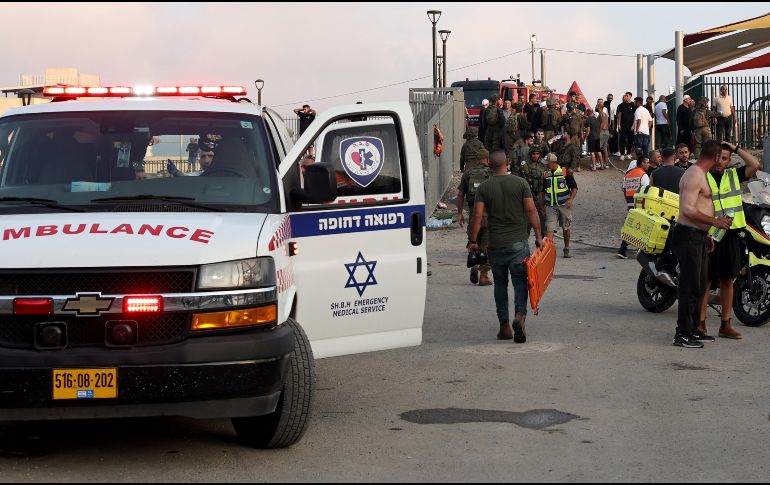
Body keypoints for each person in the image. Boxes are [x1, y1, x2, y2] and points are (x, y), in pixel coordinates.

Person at [467, 149, 543, 342]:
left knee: (500, 284)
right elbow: (531, 210)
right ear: (507, 162)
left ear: (489, 166)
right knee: (520, 282)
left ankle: (504, 326)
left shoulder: (484, 187)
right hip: (518, 244)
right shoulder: (520, 183)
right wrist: (538, 236)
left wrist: (473, 241)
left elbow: (477, 217)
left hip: (496, 245)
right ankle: (519, 315)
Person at [672, 140, 733, 348]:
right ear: (716, 157)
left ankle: (693, 329)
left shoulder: (699, 174)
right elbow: (687, 209)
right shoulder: (694, 175)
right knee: (688, 286)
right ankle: (682, 333)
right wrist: (715, 222)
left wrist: (707, 234)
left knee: (699, 285)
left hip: (698, 235)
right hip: (687, 235)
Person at [697, 141, 761, 340]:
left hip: (731, 233)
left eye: (725, 159)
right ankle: (700, 323)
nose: (720, 162)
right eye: (718, 157)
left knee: (727, 279)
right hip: (709, 233)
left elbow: (755, 165)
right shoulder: (702, 176)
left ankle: (726, 324)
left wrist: (735, 148)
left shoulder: (733, 175)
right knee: (706, 279)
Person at [457, 148, 493, 286]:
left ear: (477, 159)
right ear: (487, 159)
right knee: (487, 245)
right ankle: (484, 276)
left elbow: (460, 195)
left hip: (473, 215)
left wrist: (460, 213)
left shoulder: (468, 174)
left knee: (473, 241)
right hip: (488, 215)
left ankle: (473, 264)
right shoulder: (491, 174)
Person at [544, 153, 578, 258]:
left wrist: (571, 199)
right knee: (549, 229)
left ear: (553, 163)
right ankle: (548, 252)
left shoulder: (565, 172)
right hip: (551, 206)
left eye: (547, 163)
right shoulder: (546, 174)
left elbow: (574, 188)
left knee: (566, 228)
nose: (546, 165)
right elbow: (543, 190)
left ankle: (566, 248)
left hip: (564, 206)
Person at [617, 154, 650, 259]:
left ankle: (623, 250)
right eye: (647, 162)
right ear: (642, 163)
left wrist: (629, 201)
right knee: (643, 228)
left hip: (630, 203)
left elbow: (624, 189)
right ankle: (641, 251)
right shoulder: (643, 175)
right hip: (640, 205)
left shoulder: (628, 175)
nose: (648, 164)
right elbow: (647, 191)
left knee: (630, 227)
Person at [519, 144, 547, 235]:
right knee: (527, 216)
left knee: (542, 215)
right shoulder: (525, 165)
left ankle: (543, 237)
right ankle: (524, 237)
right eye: (533, 154)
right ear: (530, 154)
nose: (535, 155)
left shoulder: (543, 164)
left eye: (537, 153)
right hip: (528, 194)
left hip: (540, 193)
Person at [562, 102, 585, 171]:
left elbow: (563, 126)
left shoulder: (566, 116)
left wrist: (563, 134)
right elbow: (581, 127)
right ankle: (577, 166)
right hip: (575, 136)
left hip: (570, 136)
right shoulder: (578, 115)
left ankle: (573, 166)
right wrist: (582, 136)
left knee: (569, 150)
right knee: (576, 150)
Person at [616, 92, 636, 160]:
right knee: (622, 140)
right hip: (622, 126)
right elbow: (619, 115)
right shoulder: (621, 105)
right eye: (625, 96)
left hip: (630, 126)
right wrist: (619, 124)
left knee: (630, 140)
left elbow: (634, 116)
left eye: (627, 96)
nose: (625, 97)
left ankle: (628, 153)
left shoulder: (633, 104)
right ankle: (622, 154)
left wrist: (633, 125)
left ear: (630, 97)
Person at [586, 106, 603, 171]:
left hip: (592, 137)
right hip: (597, 137)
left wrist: (585, 137)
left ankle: (594, 167)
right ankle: (602, 166)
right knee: (599, 151)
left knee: (592, 152)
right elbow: (600, 127)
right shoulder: (596, 119)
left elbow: (588, 129)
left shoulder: (588, 119)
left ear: (588, 112)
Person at [597, 98, 611, 169]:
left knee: (598, 148)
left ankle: (600, 163)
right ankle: (606, 163)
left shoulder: (601, 115)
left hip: (602, 132)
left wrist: (598, 132)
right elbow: (607, 124)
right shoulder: (605, 114)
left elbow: (602, 124)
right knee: (605, 148)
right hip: (606, 131)